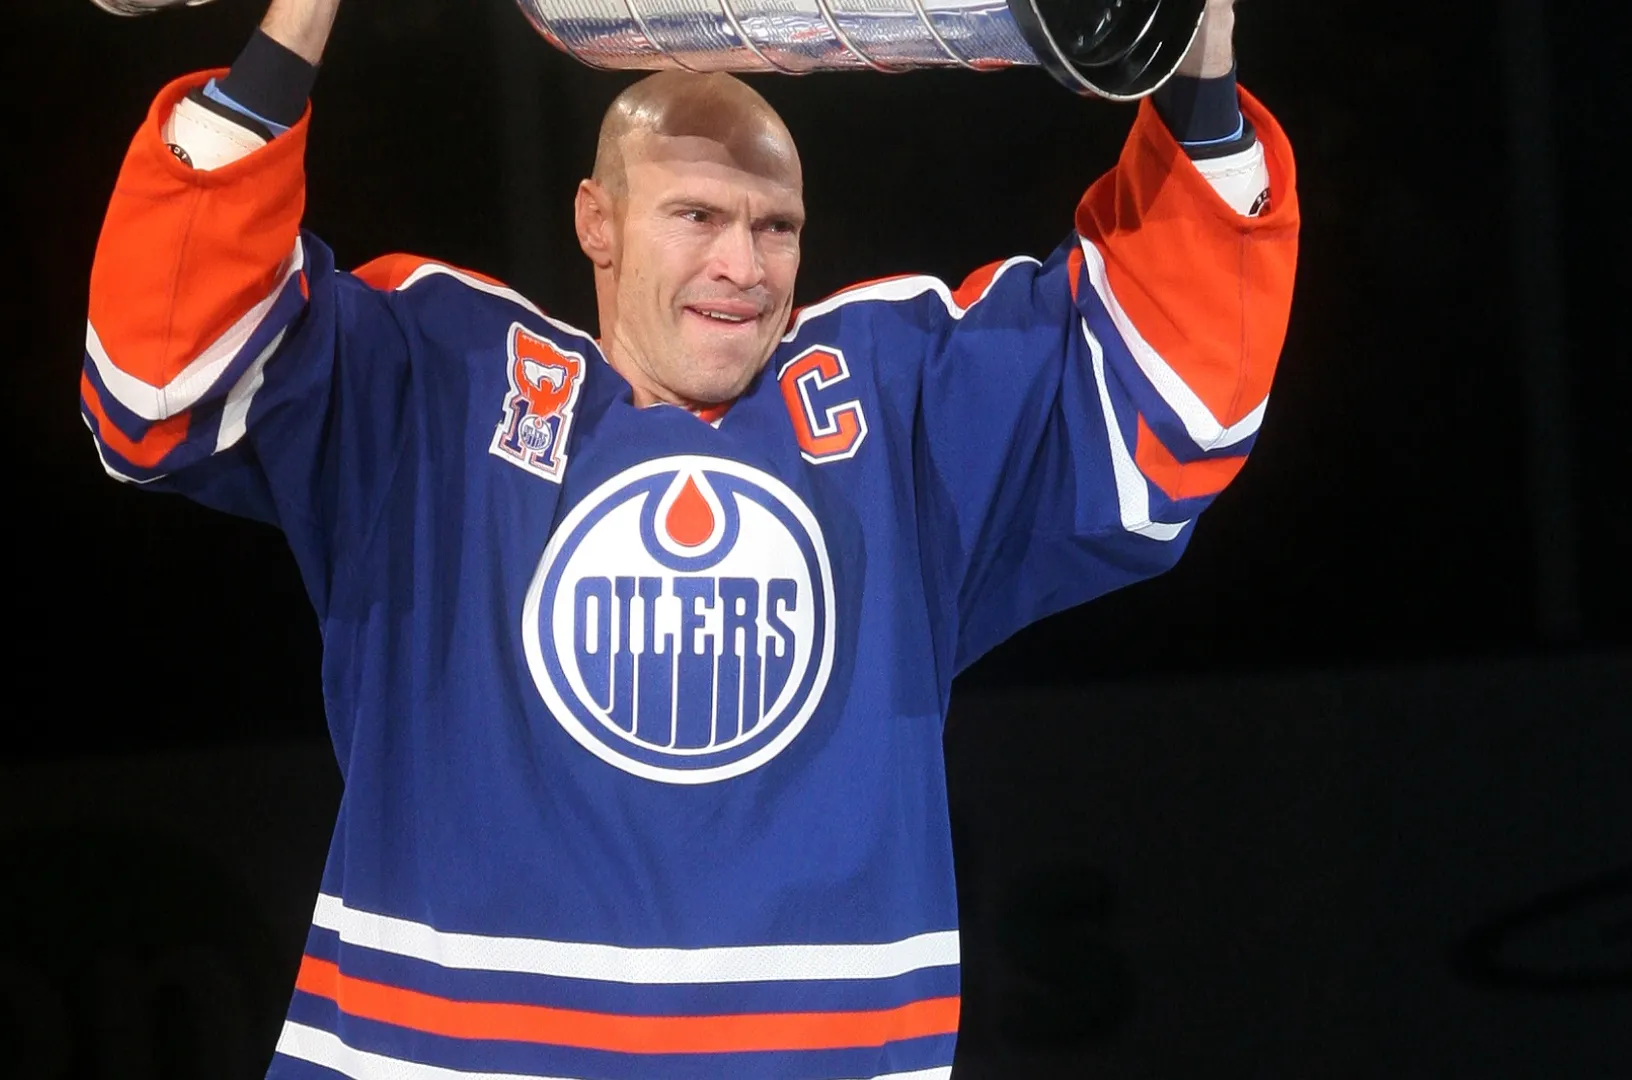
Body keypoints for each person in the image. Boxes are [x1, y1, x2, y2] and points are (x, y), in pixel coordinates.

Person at [81, 0, 1297, 1075]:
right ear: (595, 221)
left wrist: (1199, 57)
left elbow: (1181, 401)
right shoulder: (440, 387)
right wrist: (295, 25)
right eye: (697, 213)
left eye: (776, 227)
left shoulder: (891, 414)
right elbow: (158, 382)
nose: (742, 265)